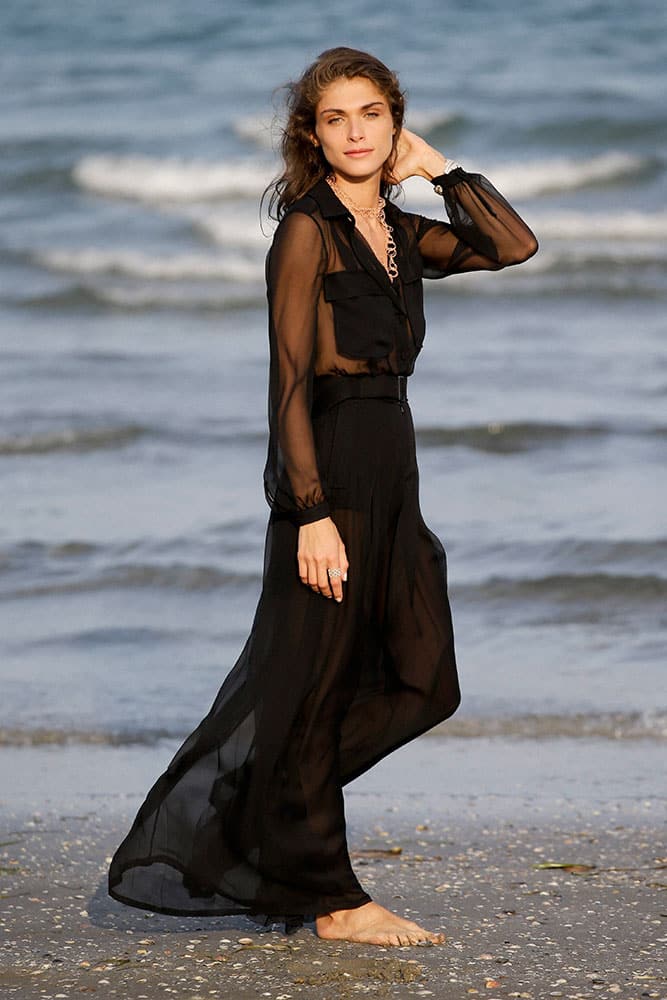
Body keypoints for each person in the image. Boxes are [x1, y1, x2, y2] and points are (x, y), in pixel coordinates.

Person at [108, 46, 538, 947]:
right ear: (311, 132)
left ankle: (264, 805)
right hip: (328, 472)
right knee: (310, 683)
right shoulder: (305, 230)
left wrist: (439, 169)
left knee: (427, 680)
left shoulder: (396, 231)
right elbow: (290, 378)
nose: (355, 132)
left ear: (394, 122)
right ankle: (332, 895)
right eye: (335, 117)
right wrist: (308, 512)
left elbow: (511, 245)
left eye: (371, 115)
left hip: (394, 466)